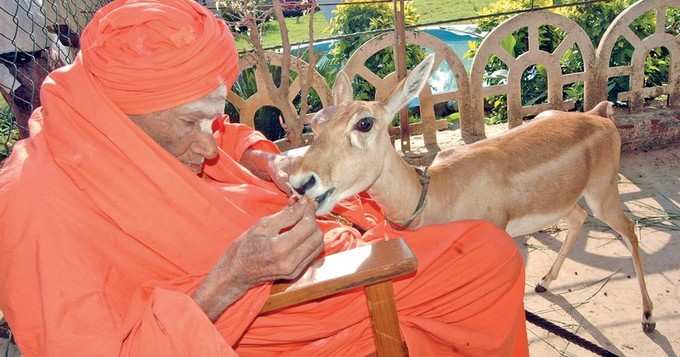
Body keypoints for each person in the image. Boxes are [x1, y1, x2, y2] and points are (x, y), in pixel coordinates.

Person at [0, 0, 529, 355]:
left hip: (273, 262)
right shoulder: (35, 205)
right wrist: (235, 277)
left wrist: (261, 159)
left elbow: (225, 132)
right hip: (265, 316)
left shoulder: (106, 106)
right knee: (487, 257)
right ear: (121, 116)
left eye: (209, 117)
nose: (208, 144)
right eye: (190, 124)